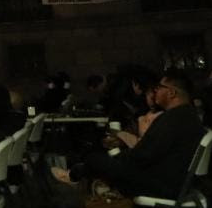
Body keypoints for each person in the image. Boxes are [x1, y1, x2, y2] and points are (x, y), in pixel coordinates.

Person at [53, 70, 204, 200]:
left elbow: (146, 154)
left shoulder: (174, 118)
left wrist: (119, 158)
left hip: (161, 183)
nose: (155, 91)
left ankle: (76, 176)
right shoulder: (185, 115)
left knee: (94, 158)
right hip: (167, 178)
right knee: (102, 161)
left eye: (159, 87)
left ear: (171, 93)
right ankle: (77, 176)